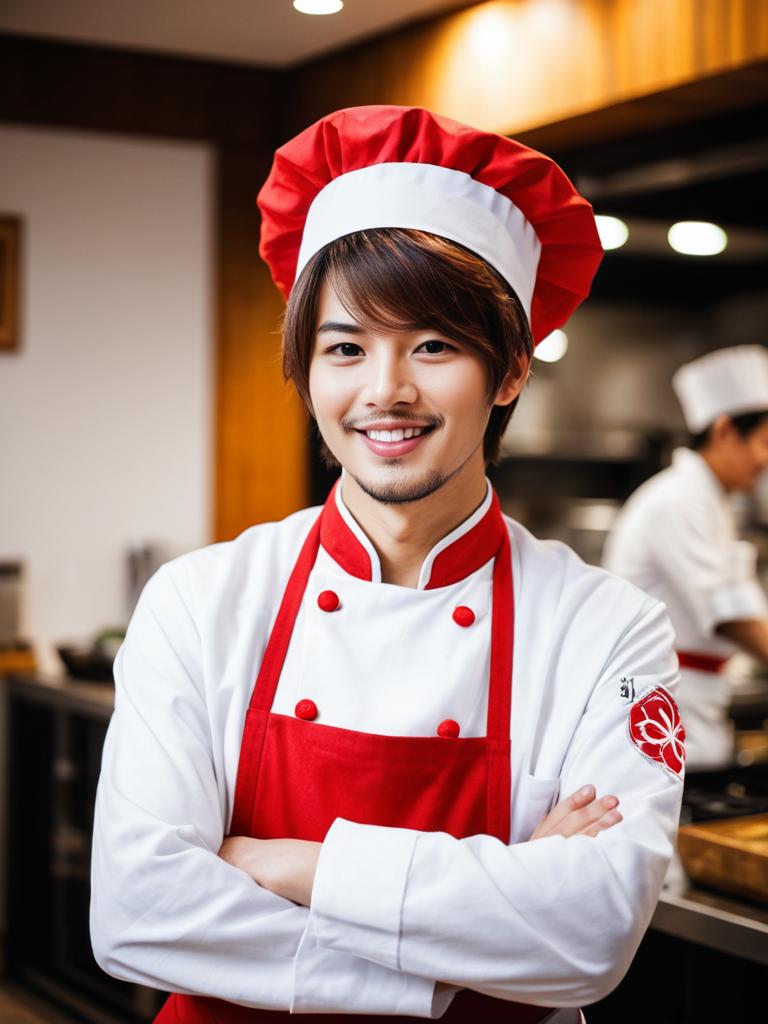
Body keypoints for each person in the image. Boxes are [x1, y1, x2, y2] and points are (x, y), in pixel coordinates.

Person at [91, 105, 684, 1024]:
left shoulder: (605, 626)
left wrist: (282, 862)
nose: (384, 391)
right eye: (345, 348)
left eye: (434, 345)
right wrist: (470, 944)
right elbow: (137, 913)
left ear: (513, 370)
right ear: (307, 370)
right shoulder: (201, 600)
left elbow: (592, 934)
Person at [604, 345, 768, 770]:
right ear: (726, 430)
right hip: (664, 712)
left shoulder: (712, 503)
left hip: (696, 712)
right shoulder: (678, 499)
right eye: (765, 442)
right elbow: (729, 611)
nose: (765, 461)